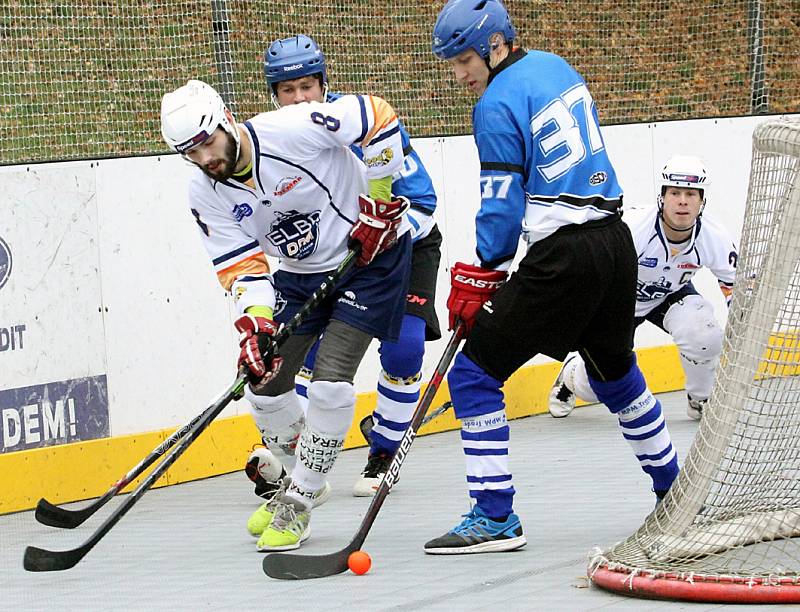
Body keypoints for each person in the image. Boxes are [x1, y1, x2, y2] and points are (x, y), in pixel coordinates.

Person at [424, 0, 681, 555]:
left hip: (564, 258)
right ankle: (674, 488)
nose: (460, 74)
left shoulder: (494, 104)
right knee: (615, 374)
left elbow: (502, 200)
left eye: (465, 59)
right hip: (614, 244)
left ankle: (494, 516)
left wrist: (481, 270)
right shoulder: (554, 66)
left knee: (471, 375)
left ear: (496, 45)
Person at [160, 79, 413, 551]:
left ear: (226, 120)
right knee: (263, 382)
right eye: (189, 153)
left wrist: (378, 199)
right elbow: (243, 266)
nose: (204, 159)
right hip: (299, 276)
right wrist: (256, 322)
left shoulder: (293, 127)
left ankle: (299, 499)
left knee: (331, 378)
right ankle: (307, 476)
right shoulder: (204, 192)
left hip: (370, 261)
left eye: (207, 144)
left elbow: (377, 115)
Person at [245, 35, 442, 503]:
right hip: (338, 258)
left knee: (404, 349)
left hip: (404, 246)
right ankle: (303, 458)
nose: (298, 99)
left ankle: (384, 451)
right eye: (287, 91)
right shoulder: (274, 140)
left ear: (324, 84)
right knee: (309, 357)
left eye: (307, 87)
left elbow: (424, 202)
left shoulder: (356, 124)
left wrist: (382, 233)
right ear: (274, 95)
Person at [549, 155, 738, 421]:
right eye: (675, 193)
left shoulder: (714, 236)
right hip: (620, 302)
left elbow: (736, 285)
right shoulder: (632, 227)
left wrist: (743, 326)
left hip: (671, 295)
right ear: (662, 197)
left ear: (702, 200)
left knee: (704, 335)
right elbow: (591, 270)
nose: (682, 201)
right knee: (599, 382)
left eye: (691, 194)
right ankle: (571, 376)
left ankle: (701, 399)